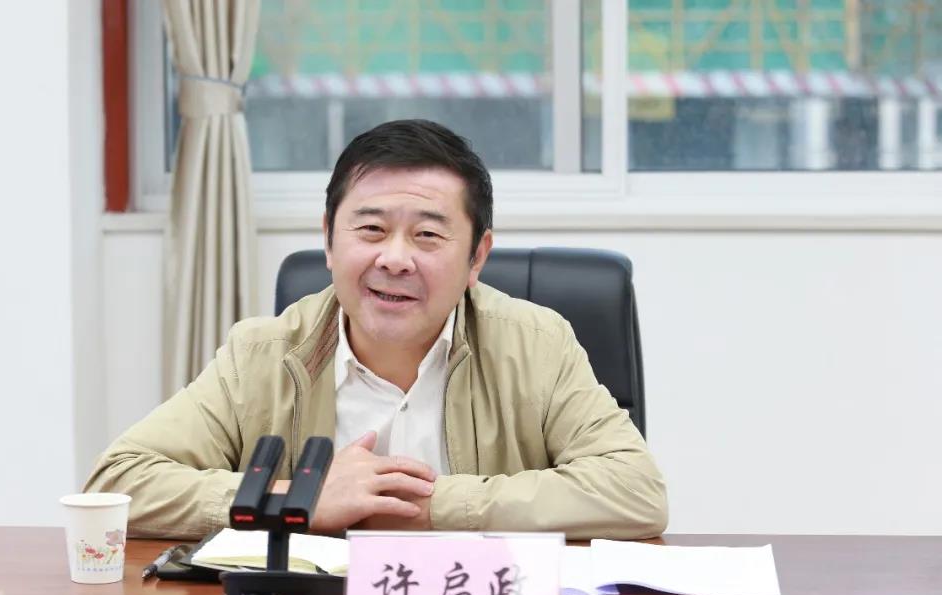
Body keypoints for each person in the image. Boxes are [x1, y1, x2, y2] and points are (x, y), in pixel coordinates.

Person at [85, 119, 667, 540]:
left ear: (477, 257)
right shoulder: (260, 355)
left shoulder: (535, 345)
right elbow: (118, 483)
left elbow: (635, 490)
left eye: (428, 235)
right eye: (370, 229)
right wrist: (297, 499)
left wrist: (430, 505)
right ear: (329, 240)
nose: (395, 258)